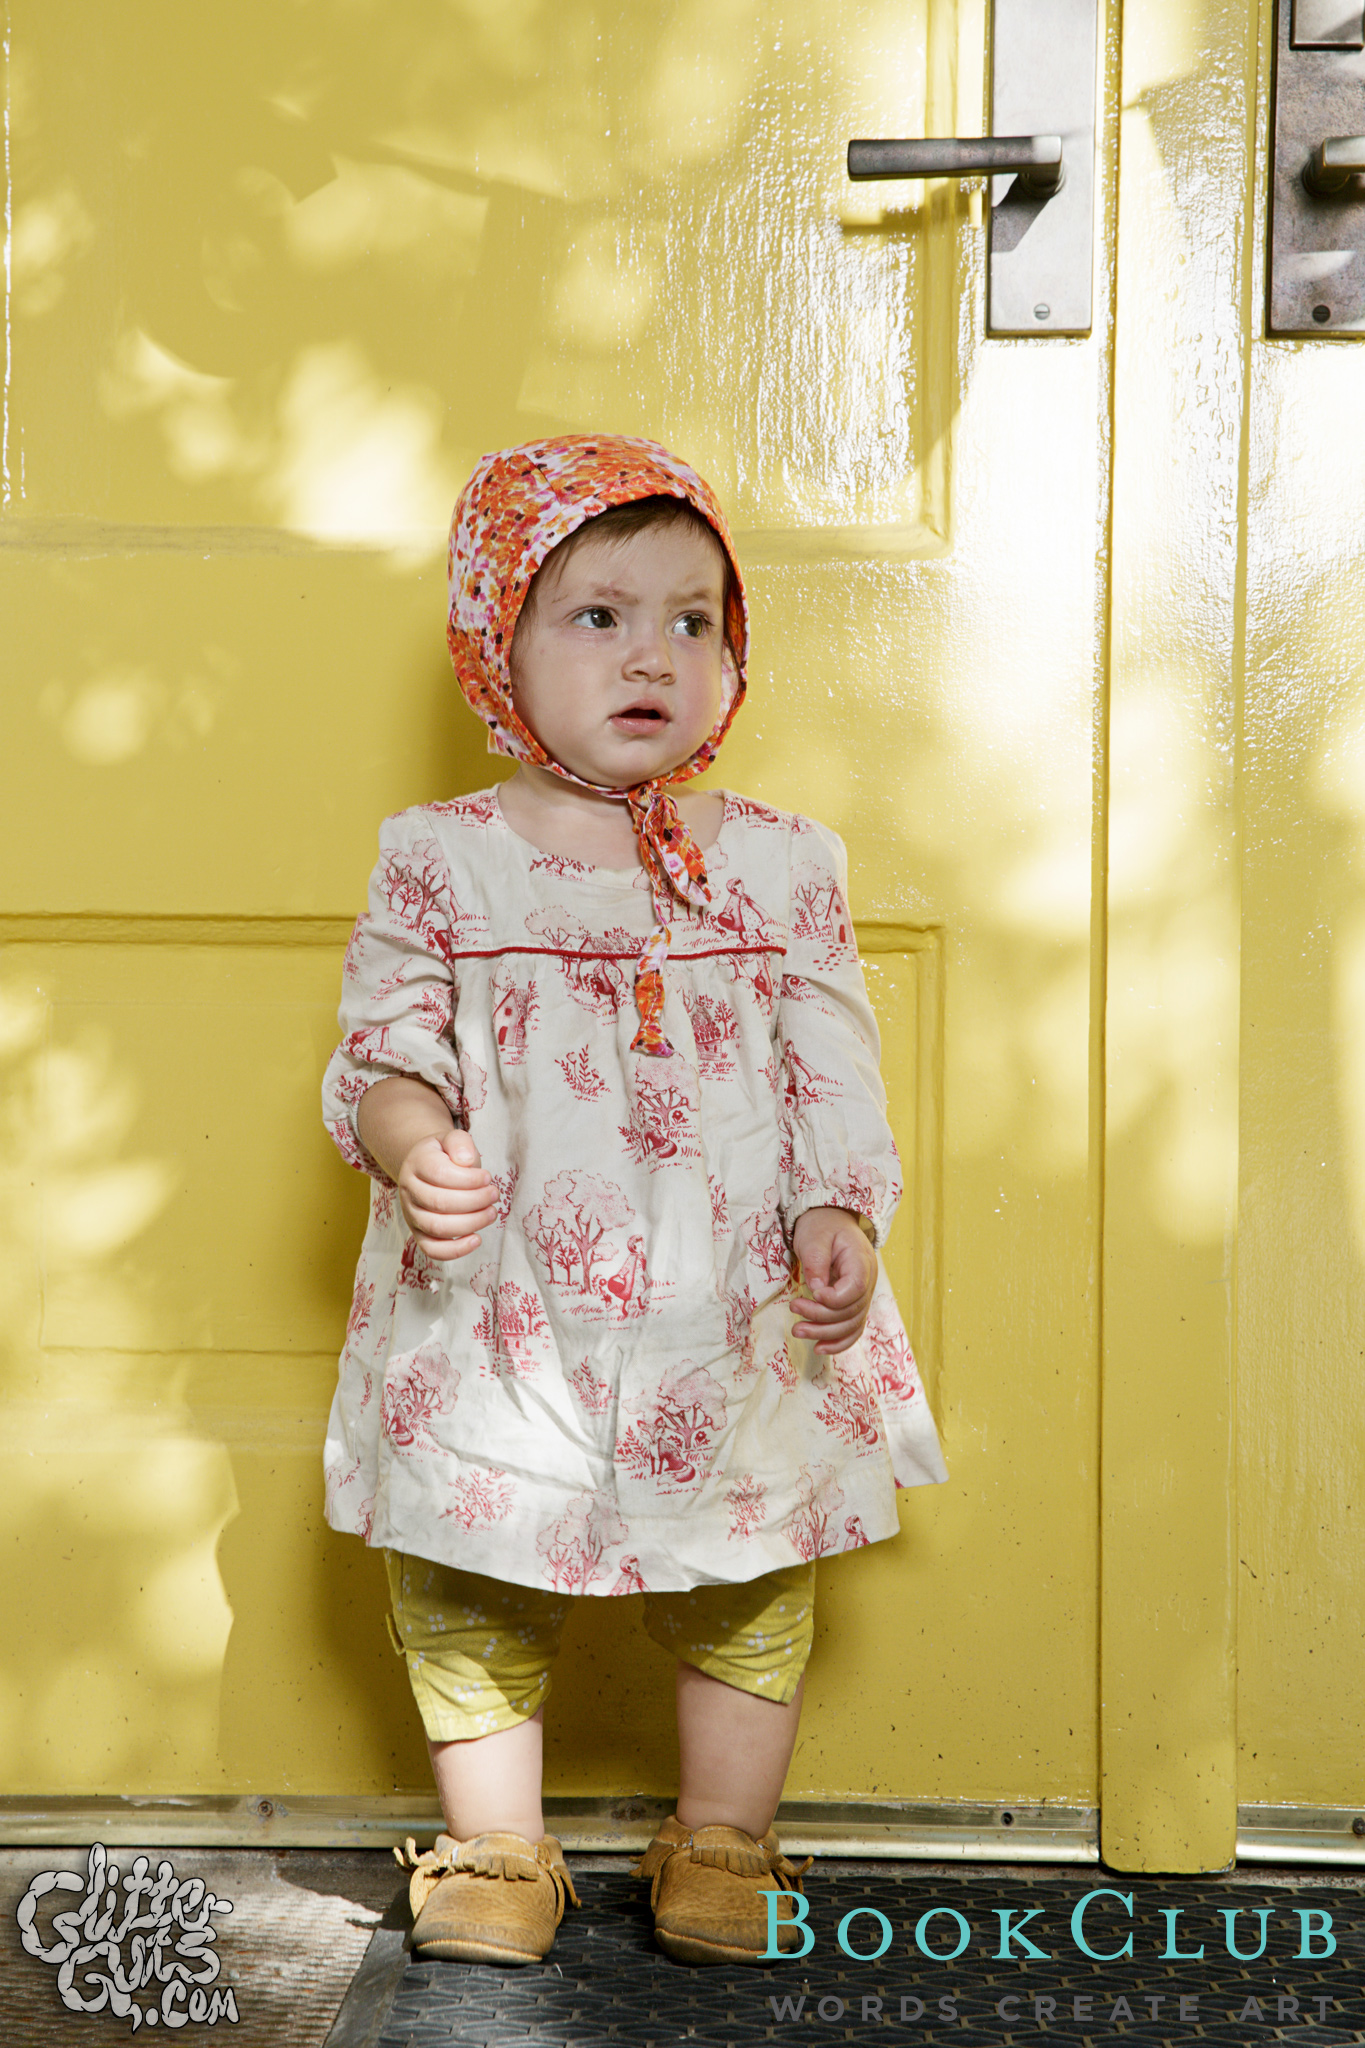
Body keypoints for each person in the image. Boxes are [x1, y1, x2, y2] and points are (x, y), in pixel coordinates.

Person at [321, 434, 947, 1970]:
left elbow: (830, 1060)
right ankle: (496, 1847)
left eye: (691, 620)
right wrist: (412, 1142)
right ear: (497, 643)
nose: (652, 655)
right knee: (466, 1575)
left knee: (750, 1573)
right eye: (596, 617)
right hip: (498, 1305)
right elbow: (382, 1049)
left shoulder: (783, 865)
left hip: (724, 1309)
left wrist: (841, 1215)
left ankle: (722, 1838)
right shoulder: (441, 860)